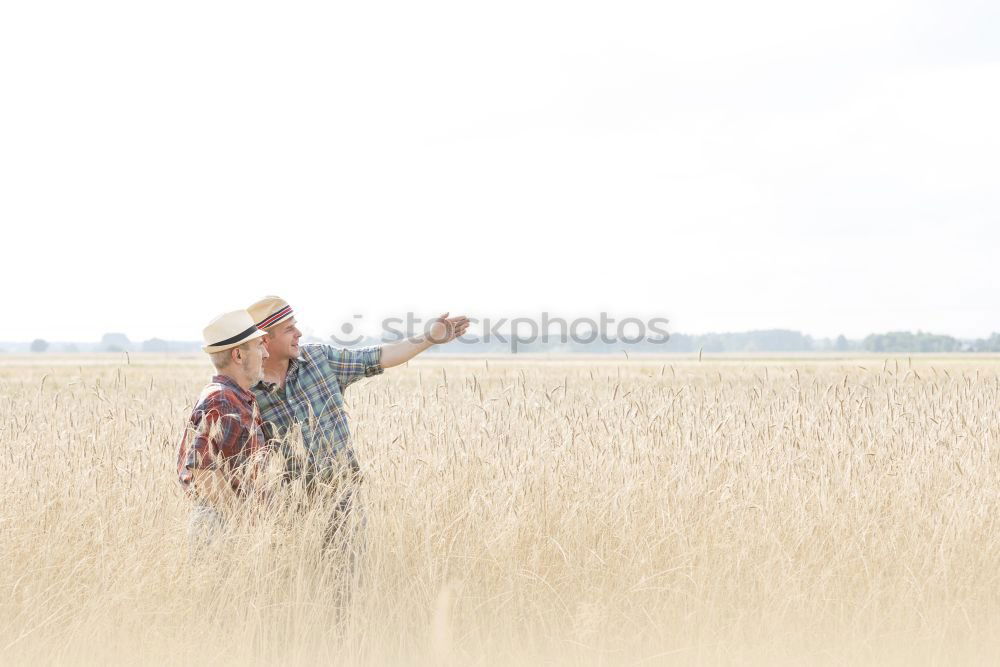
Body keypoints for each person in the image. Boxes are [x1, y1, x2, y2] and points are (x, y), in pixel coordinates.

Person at [246, 297, 469, 567]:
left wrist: (428, 337)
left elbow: (378, 357)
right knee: (297, 584)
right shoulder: (248, 391)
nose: (299, 333)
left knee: (346, 580)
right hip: (288, 509)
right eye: (289, 329)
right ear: (266, 341)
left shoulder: (319, 359)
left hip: (342, 497)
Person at [176, 309, 271, 547]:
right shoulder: (221, 400)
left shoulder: (237, 398)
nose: (266, 353)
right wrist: (243, 530)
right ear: (238, 355)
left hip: (227, 529)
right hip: (220, 531)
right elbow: (203, 471)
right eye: (259, 346)